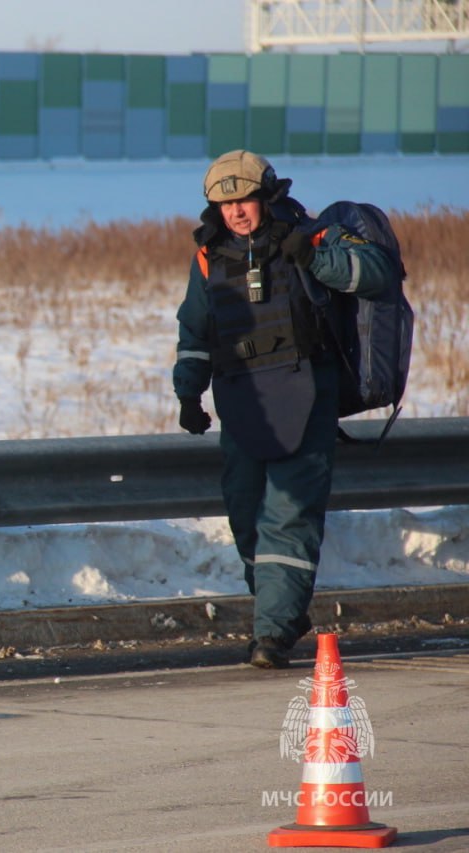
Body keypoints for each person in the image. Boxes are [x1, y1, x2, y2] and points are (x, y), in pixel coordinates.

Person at [172, 150, 397, 669]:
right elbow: (196, 328)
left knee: (289, 514)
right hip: (241, 397)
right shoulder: (210, 253)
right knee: (245, 512)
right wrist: (189, 391)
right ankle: (283, 611)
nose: (235, 212)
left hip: (305, 391)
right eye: (224, 203)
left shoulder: (312, 234)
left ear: (267, 196)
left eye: (243, 199)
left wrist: (314, 257)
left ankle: (271, 633)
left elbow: (376, 272)